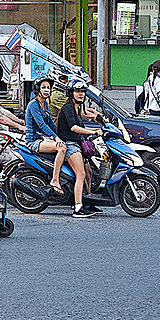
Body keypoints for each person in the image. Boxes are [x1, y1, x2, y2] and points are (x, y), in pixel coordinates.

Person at [56, 79, 101, 218]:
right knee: (80, 174)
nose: (81, 94)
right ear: (71, 93)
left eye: (82, 92)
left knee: (89, 172)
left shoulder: (77, 107)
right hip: (69, 144)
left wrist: (100, 119)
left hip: (77, 142)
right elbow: (74, 128)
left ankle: (84, 200)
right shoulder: (68, 108)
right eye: (77, 91)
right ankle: (77, 208)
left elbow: (84, 115)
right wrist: (93, 132)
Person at [25, 77, 73, 196]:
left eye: (48, 88)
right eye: (44, 88)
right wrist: (56, 138)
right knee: (61, 148)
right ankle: (55, 180)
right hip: (34, 141)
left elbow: (50, 122)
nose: (47, 90)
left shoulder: (44, 103)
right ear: (38, 89)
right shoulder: (33, 105)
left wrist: (61, 134)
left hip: (43, 139)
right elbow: (41, 124)